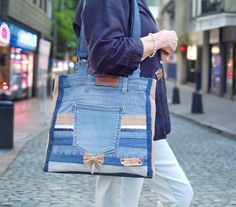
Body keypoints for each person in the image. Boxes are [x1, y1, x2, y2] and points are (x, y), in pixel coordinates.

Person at [73, 0, 194, 206]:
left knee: (119, 200)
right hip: (125, 118)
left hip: (134, 118)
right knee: (178, 195)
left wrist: (153, 44)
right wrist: (157, 40)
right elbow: (105, 55)